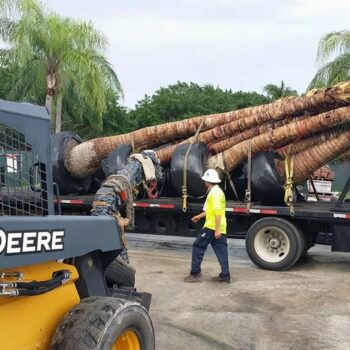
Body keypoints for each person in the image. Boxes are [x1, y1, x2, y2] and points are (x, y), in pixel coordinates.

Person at [184, 169, 230, 284]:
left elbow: (218, 211)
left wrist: (217, 229)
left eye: (205, 180)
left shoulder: (214, 193)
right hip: (219, 226)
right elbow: (212, 210)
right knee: (222, 251)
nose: (204, 182)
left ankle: (195, 273)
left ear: (208, 181)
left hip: (212, 227)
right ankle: (225, 276)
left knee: (197, 246)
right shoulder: (217, 191)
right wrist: (199, 216)